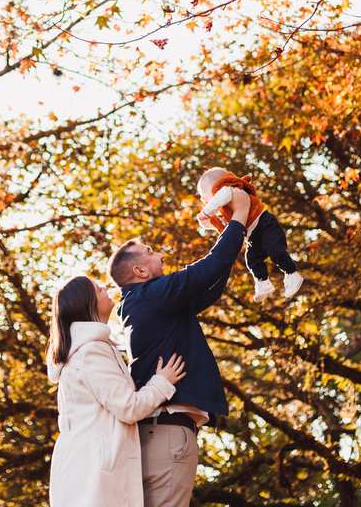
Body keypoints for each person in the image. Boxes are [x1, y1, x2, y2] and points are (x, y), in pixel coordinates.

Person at [106, 187, 252, 507]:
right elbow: (207, 268)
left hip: (158, 433)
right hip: (168, 434)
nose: (161, 255)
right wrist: (240, 216)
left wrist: (228, 237)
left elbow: (210, 284)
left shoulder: (148, 303)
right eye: (150, 252)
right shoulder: (152, 295)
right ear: (140, 271)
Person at [47, 275, 187, 507]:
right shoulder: (91, 351)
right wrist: (161, 382)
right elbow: (129, 407)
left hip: (83, 461)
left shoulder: (86, 349)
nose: (105, 287)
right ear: (86, 303)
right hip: (96, 467)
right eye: (98, 288)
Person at [195, 167, 303, 302]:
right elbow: (212, 224)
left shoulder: (229, 189)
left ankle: (291, 273)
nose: (202, 198)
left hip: (264, 224)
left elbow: (221, 197)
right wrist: (202, 219)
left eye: (203, 193)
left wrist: (206, 212)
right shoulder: (221, 210)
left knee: (274, 249)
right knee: (252, 259)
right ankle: (263, 282)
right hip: (252, 237)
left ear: (216, 185)